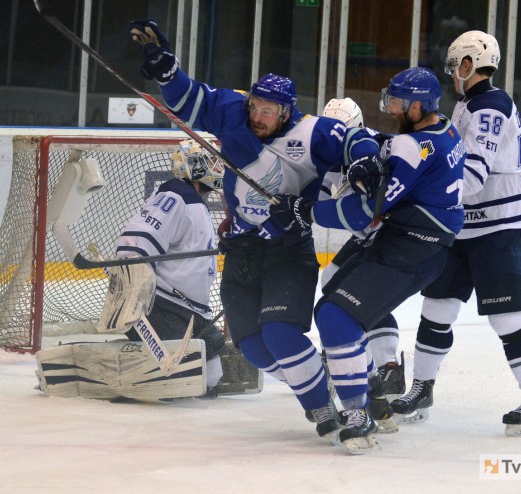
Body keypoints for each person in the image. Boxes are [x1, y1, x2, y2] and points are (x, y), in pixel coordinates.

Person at [128, 20, 383, 444]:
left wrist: (363, 161)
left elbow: (359, 139)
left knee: (281, 335)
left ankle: (340, 409)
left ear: (286, 111)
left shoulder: (313, 131)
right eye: (255, 106)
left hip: (287, 249)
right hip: (242, 250)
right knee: (254, 349)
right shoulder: (233, 111)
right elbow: (193, 99)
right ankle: (325, 379)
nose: (258, 116)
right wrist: (167, 72)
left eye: (268, 110)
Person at [270, 67, 465, 453]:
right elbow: (392, 145)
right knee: (333, 298)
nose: (390, 108)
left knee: (334, 316)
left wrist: (305, 211)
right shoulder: (444, 130)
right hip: (415, 242)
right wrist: (372, 152)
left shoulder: (411, 147)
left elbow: (364, 213)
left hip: (411, 246)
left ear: (417, 104)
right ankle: (376, 389)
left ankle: (360, 412)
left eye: (396, 102)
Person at [391, 30, 521, 437]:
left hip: (498, 228)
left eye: (453, 66)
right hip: (462, 227)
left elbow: (474, 177)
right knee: (437, 308)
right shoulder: (466, 106)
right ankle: (422, 388)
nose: (451, 75)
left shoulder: (491, 108)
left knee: (507, 317)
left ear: (468, 65)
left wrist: (418, 191)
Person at [110, 139, 227, 396]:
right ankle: (124, 366)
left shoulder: (192, 200)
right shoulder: (175, 194)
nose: (219, 168)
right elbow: (135, 242)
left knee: (213, 377)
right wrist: (132, 289)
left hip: (188, 310)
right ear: (195, 165)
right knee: (196, 378)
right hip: (163, 307)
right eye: (213, 161)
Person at [320, 97, 405, 402]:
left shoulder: (377, 148)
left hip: (389, 232)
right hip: (366, 233)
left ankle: (388, 366)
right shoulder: (329, 152)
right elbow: (317, 191)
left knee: (363, 296)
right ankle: (342, 348)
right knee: (330, 277)